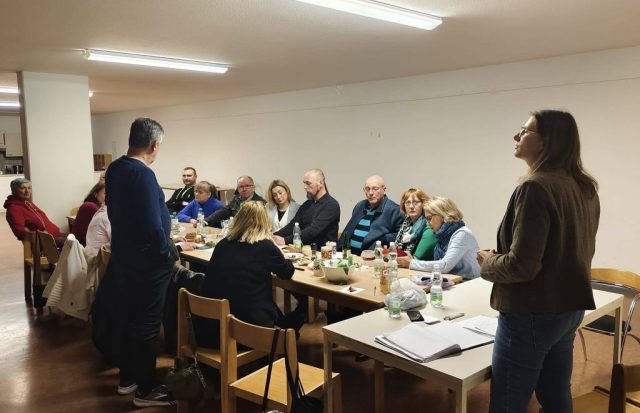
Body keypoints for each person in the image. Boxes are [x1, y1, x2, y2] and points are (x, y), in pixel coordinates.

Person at [477, 110, 600, 412]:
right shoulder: (583, 188)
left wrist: (488, 262)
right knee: (556, 395)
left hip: (531, 312)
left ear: (546, 141)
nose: (516, 136)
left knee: (508, 402)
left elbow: (522, 266)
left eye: (524, 130)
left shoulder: (535, 187)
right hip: (568, 308)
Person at [105, 118, 176, 407]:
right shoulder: (143, 174)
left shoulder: (115, 168)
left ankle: (128, 379)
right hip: (148, 262)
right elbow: (151, 225)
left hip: (124, 256)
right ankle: (147, 389)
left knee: (129, 317)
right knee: (148, 323)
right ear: (155, 144)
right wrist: (167, 253)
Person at [196, 201, 294, 347]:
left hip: (211, 327)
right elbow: (287, 272)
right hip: (245, 331)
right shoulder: (265, 247)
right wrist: (276, 247)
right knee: (276, 314)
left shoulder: (223, 244)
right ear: (264, 223)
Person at [398, 197, 480, 279]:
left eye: (429, 218)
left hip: (468, 282)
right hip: (451, 280)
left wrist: (412, 263)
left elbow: (444, 266)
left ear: (443, 215)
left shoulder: (462, 234)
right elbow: (439, 265)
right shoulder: (442, 234)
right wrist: (413, 261)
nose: (427, 223)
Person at [337, 175, 403, 255]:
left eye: (375, 189)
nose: (370, 193)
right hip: (348, 253)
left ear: (384, 190)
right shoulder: (360, 205)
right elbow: (349, 230)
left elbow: (400, 235)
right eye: (367, 189)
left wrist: (383, 239)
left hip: (370, 256)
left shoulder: (395, 210)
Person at [273, 168, 340, 246]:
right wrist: (273, 236)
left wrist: (285, 240)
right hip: (306, 250)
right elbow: (292, 225)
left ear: (321, 183)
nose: (305, 187)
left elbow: (313, 231)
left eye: (308, 183)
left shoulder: (331, 205)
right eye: (304, 183)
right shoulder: (307, 204)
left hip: (324, 251)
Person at [4, 177, 64, 245]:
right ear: (14, 191)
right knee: (73, 243)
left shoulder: (26, 202)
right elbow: (20, 232)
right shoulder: (14, 208)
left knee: (74, 236)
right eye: (23, 188)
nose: (27, 191)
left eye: (29, 188)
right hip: (46, 241)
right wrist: (41, 235)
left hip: (54, 235)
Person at [394, 188, 436, 260]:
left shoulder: (429, 228)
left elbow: (414, 260)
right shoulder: (406, 225)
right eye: (408, 203)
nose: (411, 206)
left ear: (423, 204)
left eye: (415, 202)